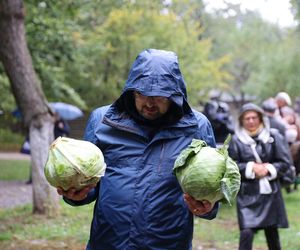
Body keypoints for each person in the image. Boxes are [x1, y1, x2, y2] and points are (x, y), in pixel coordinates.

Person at [57, 49, 219, 250]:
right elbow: (90, 184)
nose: (150, 103)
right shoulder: (102, 121)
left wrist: (208, 207)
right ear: (131, 90)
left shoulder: (197, 126)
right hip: (109, 243)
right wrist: (77, 195)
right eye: (142, 94)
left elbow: (211, 189)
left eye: (160, 96)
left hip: (168, 244)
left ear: (174, 94)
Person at [228, 103, 291, 250]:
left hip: (270, 194)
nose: (251, 121)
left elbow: (285, 162)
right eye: (247, 118)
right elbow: (231, 166)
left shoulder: (273, 136)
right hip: (247, 195)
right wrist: (251, 168)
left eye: (254, 117)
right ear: (241, 121)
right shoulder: (236, 140)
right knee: (246, 233)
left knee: (272, 233)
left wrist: (268, 169)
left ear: (261, 118)